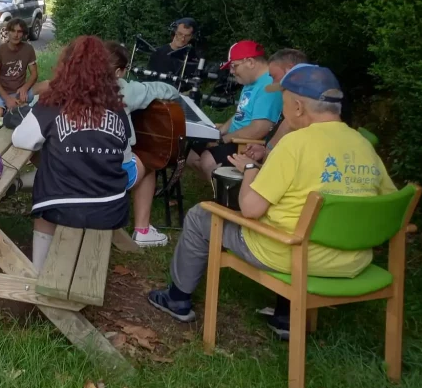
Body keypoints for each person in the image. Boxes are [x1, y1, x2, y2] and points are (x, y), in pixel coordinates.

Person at [148, 65, 397, 335]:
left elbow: (251, 209)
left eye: (284, 102)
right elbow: (391, 206)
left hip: (292, 254)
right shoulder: (362, 144)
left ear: (299, 107)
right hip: (352, 260)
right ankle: (286, 317)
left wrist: (250, 170)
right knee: (294, 212)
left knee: (200, 216)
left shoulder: (294, 144)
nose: (283, 110)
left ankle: (177, 299)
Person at [11, 36, 131, 272]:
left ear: (66, 67)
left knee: (45, 207)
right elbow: (124, 152)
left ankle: (39, 272)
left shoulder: (52, 105)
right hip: (112, 207)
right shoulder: (118, 109)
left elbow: (21, 139)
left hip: (62, 206)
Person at [106, 41, 181, 248]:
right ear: (120, 71)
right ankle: (143, 230)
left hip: (73, 170)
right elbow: (167, 91)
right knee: (149, 163)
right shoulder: (125, 90)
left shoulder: (73, 87)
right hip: (109, 175)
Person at [187, 40, 282, 181]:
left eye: (234, 66)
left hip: (247, 143)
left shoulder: (269, 86)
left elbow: (259, 129)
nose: (231, 71)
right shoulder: (251, 81)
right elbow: (241, 113)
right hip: (234, 137)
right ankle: (219, 188)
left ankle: (229, 197)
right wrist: (218, 132)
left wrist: (221, 141)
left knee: (207, 158)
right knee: (190, 153)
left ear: (250, 62)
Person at [242, 49, 308, 163]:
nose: (272, 84)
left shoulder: (304, 103)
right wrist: (264, 150)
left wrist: (255, 167)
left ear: (290, 70)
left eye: (274, 76)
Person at [0, 18, 38, 116]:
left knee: (48, 86)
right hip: (2, 93)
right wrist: (7, 99)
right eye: (13, 31)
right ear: (8, 32)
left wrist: (25, 88)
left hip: (21, 92)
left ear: (23, 34)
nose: (16, 35)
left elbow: (34, 74)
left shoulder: (28, 49)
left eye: (19, 31)